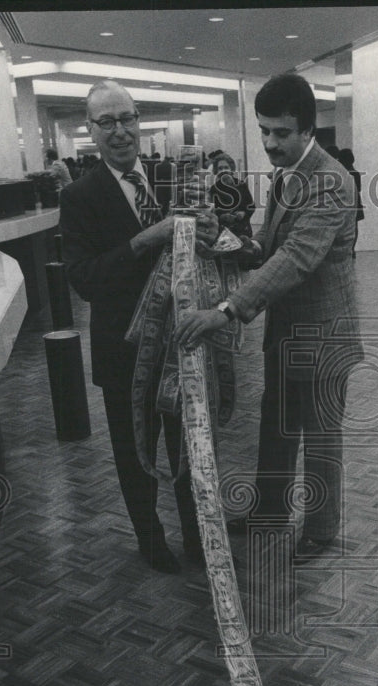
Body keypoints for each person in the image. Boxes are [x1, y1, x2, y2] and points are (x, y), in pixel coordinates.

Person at [175, 73, 362, 561]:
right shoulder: (287, 174)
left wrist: (226, 310)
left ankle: (322, 530)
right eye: (263, 131)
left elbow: (298, 258)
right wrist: (232, 244)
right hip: (287, 331)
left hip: (324, 336)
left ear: (306, 129)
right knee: (277, 425)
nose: (269, 142)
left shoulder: (330, 181)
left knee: (321, 437)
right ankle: (271, 512)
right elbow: (271, 248)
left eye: (280, 133)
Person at [59, 80, 219, 573]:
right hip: (123, 353)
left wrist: (214, 232)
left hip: (182, 344)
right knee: (135, 456)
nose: (120, 131)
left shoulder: (174, 176)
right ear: (91, 130)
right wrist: (148, 238)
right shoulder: (79, 197)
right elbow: (84, 279)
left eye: (127, 118)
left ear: (139, 119)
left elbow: (216, 237)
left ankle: (197, 538)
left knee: (189, 450)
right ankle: (151, 543)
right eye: (106, 122)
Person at [210, 153, 254, 238]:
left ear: (231, 169)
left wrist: (244, 213)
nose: (223, 171)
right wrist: (222, 217)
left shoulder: (241, 185)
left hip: (242, 231)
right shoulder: (213, 189)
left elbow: (251, 206)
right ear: (216, 171)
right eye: (220, 168)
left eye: (226, 167)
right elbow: (211, 212)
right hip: (222, 232)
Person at [337, 148, 363, 258]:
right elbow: (359, 189)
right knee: (354, 226)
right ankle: (352, 249)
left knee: (343, 226)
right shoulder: (355, 173)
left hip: (343, 201)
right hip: (356, 201)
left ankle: (345, 249)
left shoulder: (340, 173)